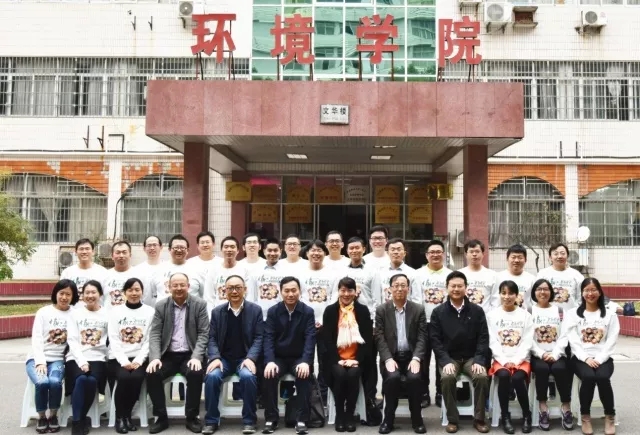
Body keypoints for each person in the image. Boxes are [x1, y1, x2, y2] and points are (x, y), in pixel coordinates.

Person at [146, 272, 210, 434]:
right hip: (168, 354)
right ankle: (161, 417)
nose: (179, 288)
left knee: (195, 373)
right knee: (152, 373)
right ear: (169, 287)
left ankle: (192, 417)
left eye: (182, 285)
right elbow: (155, 333)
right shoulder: (161, 305)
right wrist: (155, 358)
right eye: (175, 285)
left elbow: (204, 333)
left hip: (190, 353)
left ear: (188, 286)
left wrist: (197, 357)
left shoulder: (199, 304)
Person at [430, 271, 490, 434]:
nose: (456, 289)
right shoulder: (438, 312)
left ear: (466, 288)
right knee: (447, 377)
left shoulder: (477, 311)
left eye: (460, 286)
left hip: (471, 358)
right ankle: (452, 419)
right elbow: (435, 340)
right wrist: (445, 361)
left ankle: (479, 419)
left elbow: (483, 337)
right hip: (450, 358)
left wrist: (479, 359)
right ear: (447, 288)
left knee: (481, 376)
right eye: (453, 286)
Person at [203, 275, 264, 435]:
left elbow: (259, 338)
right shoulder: (217, 312)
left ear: (245, 290)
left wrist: (250, 358)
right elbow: (212, 338)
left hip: (245, 359)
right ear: (225, 290)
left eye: (238, 288)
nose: (234, 291)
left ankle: (249, 421)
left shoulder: (255, 310)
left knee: (248, 377)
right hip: (223, 359)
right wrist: (215, 357)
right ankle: (211, 420)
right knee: (212, 376)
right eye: (230, 288)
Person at [262, 276, 316, 435]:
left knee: (304, 374)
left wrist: (306, 361)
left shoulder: (307, 312)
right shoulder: (273, 312)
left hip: (299, 358)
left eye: (294, 290)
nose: (290, 294)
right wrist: (269, 361)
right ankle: (271, 419)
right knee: (269, 374)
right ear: (281, 292)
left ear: (300, 291)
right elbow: (268, 338)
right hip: (278, 358)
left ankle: (302, 419)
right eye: (286, 291)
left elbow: (310, 339)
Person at [565, 278, 620, 435]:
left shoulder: (610, 315)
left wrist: (599, 359)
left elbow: (611, 340)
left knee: (602, 377)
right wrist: (586, 358)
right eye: (587, 290)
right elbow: (573, 340)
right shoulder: (573, 314)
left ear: (600, 292)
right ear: (582, 293)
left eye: (594, 289)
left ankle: (610, 416)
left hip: (603, 358)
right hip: (580, 358)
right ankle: (585, 417)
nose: (590, 293)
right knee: (588, 377)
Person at [375, 273, 427, 434]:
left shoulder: (418, 309)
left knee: (414, 378)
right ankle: (388, 420)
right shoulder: (382, 310)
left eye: (403, 285)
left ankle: (417, 419)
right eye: (396, 285)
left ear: (408, 289)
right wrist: (387, 359)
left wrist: (417, 358)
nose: (399, 288)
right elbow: (379, 337)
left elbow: (422, 337)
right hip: (392, 357)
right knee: (392, 378)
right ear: (390, 289)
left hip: (411, 357)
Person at [26, 279, 78, 434]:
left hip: (58, 359)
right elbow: (36, 338)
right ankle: (42, 416)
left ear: (73, 296)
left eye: (68, 294)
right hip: (36, 358)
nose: (64, 297)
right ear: (56, 293)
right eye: (61, 293)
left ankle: (53, 415)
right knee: (42, 382)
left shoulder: (75, 314)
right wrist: (40, 362)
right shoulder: (43, 312)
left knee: (55, 382)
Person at [322, 277, 374, 432]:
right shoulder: (330, 311)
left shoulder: (362, 311)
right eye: (343, 290)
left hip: (356, 359)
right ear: (338, 291)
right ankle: (340, 414)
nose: (346, 294)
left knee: (353, 374)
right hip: (335, 359)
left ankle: (349, 414)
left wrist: (356, 360)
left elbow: (367, 340)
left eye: (350, 290)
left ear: (355, 292)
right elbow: (327, 340)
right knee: (339, 374)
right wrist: (338, 360)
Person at [107, 278, 155, 434]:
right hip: (118, 358)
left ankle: (127, 415)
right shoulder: (115, 312)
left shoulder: (150, 312)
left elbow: (149, 340)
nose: (134, 293)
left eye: (137, 290)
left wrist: (139, 360)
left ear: (142, 292)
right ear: (124, 293)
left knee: (136, 377)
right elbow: (113, 339)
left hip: (140, 357)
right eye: (130, 290)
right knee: (124, 377)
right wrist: (124, 361)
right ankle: (120, 417)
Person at [487, 280, 534, 434]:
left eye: (510, 293)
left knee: (518, 378)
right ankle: (505, 416)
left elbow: (527, 341)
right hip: (500, 359)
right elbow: (492, 341)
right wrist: (503, 360)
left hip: (521, 359)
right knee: (504, 376)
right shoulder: (492, 315)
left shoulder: (525, 316)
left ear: (516, 295)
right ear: (499, 294)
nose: (507, 297)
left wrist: (516, 360)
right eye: (503, 293)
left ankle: (526, 415)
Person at [529, 278, 573, 431]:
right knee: (541, 369)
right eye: (539, 289)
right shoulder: (529, 311)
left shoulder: (560, 311)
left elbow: (565, 335)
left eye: (546, 289)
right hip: (537, 354)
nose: (543, 292)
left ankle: (566, 406)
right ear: (534, 292)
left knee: (560, 369)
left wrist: (555, 353)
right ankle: (543, 408)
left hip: (557, 354)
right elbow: (527, 337)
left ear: (551, 292)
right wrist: (541, 353)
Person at [66, 280, 109, 435]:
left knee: (91, 380)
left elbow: (111, 339)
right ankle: (77, 422)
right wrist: (82, 361)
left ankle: (81, 417)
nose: (90, 295)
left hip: (98, 357)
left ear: (100, 294)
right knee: (81, 379)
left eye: (93, 292)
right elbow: (72, 340)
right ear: (82, 295)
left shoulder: (107, 314)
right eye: (87, 293)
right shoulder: (75, 314)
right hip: (76, 357)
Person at [414, 239, 452, 408]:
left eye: (438, 252)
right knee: (423, 359)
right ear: (426, 255)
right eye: (432, 252)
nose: (435, 255)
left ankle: (440, 392)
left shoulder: (450, 275)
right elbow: (415, 299)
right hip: (423, 322)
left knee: (442, 358)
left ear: (443, 254)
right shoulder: (417, 274)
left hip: (444, 323)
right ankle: (423, 393)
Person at [300, 240, 338, 402]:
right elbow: (298, 298)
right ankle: (307, 394)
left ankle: (323, 395)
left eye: (319, 250)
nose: (316, 253)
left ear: (325, 253)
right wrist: (309, 321)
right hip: (304, 325)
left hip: (326, 325)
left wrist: (323, 320)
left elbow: (334, 299)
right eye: (312, 250)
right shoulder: (300, 273)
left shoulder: (333, 274)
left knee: (325, 361)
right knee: (305, 360)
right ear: (307, 253)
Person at [148, 234, 204, 303]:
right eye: (176, 247)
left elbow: (203, 294)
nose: (179, 250)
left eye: (182, 248)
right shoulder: (158, 269)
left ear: (187, 250)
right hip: (165, 309)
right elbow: (153, 294)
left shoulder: (198, 269)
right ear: (169, 249)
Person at [204, 236, 249, 310]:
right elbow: (209, 297)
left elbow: (248, 295)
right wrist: (211, 314)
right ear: (221, 250)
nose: (229, 250)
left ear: (238, 250)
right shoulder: (213, 270)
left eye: (232, 247)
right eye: (226, 247)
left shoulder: (245, 269)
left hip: (240, 311)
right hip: (219, 312)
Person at [537, 243, 584, 311]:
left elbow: (581, 298)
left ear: (567, 256)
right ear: (550, 257)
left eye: (562, 253)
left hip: (570, 315)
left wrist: (575, 312)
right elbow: (537, 296)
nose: (559, 256)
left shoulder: (576, 275)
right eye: (556, 254)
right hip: (548, 314)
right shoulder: (542, 274)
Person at [247, 238, 286, 320]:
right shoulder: (255, 271)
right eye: (269, 250)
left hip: (280, 317)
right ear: (264, 251)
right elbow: (251, 296)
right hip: (260, 317)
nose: (272, 253)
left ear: (280, 251)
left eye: (275, 250)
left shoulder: (286, 271)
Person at [458, 239, 497, 313]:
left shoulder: (492, 275)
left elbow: (496, 300)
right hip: (463, 316)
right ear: (466, 254)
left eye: (477, 251)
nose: (474, 254)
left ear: (483, 254)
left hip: (485, 317)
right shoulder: (459, 274)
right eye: (471, 252)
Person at [494, 244, 536, 309]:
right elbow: (495, 301)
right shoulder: (498, 277)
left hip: (524, 314)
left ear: (525, 260)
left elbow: (534, 302)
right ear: (507, 259)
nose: (516, 260)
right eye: (513, 257)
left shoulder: (532, 279)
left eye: (520, 258)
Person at [102, 241, 137, 311]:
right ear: (112, 256)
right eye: (118, 252)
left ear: (130, 255)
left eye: (124, 252)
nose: (121, 255)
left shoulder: (138, 274)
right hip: (110, 316)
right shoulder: (104, 275)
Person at [133, 236, 164, 306]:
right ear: (144, 249)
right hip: (143, 308)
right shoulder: (137, 270)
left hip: (163, 309)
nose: (152, 248)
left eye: (155, 245)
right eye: (149, 245)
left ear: (161, 247)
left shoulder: (167, 268)